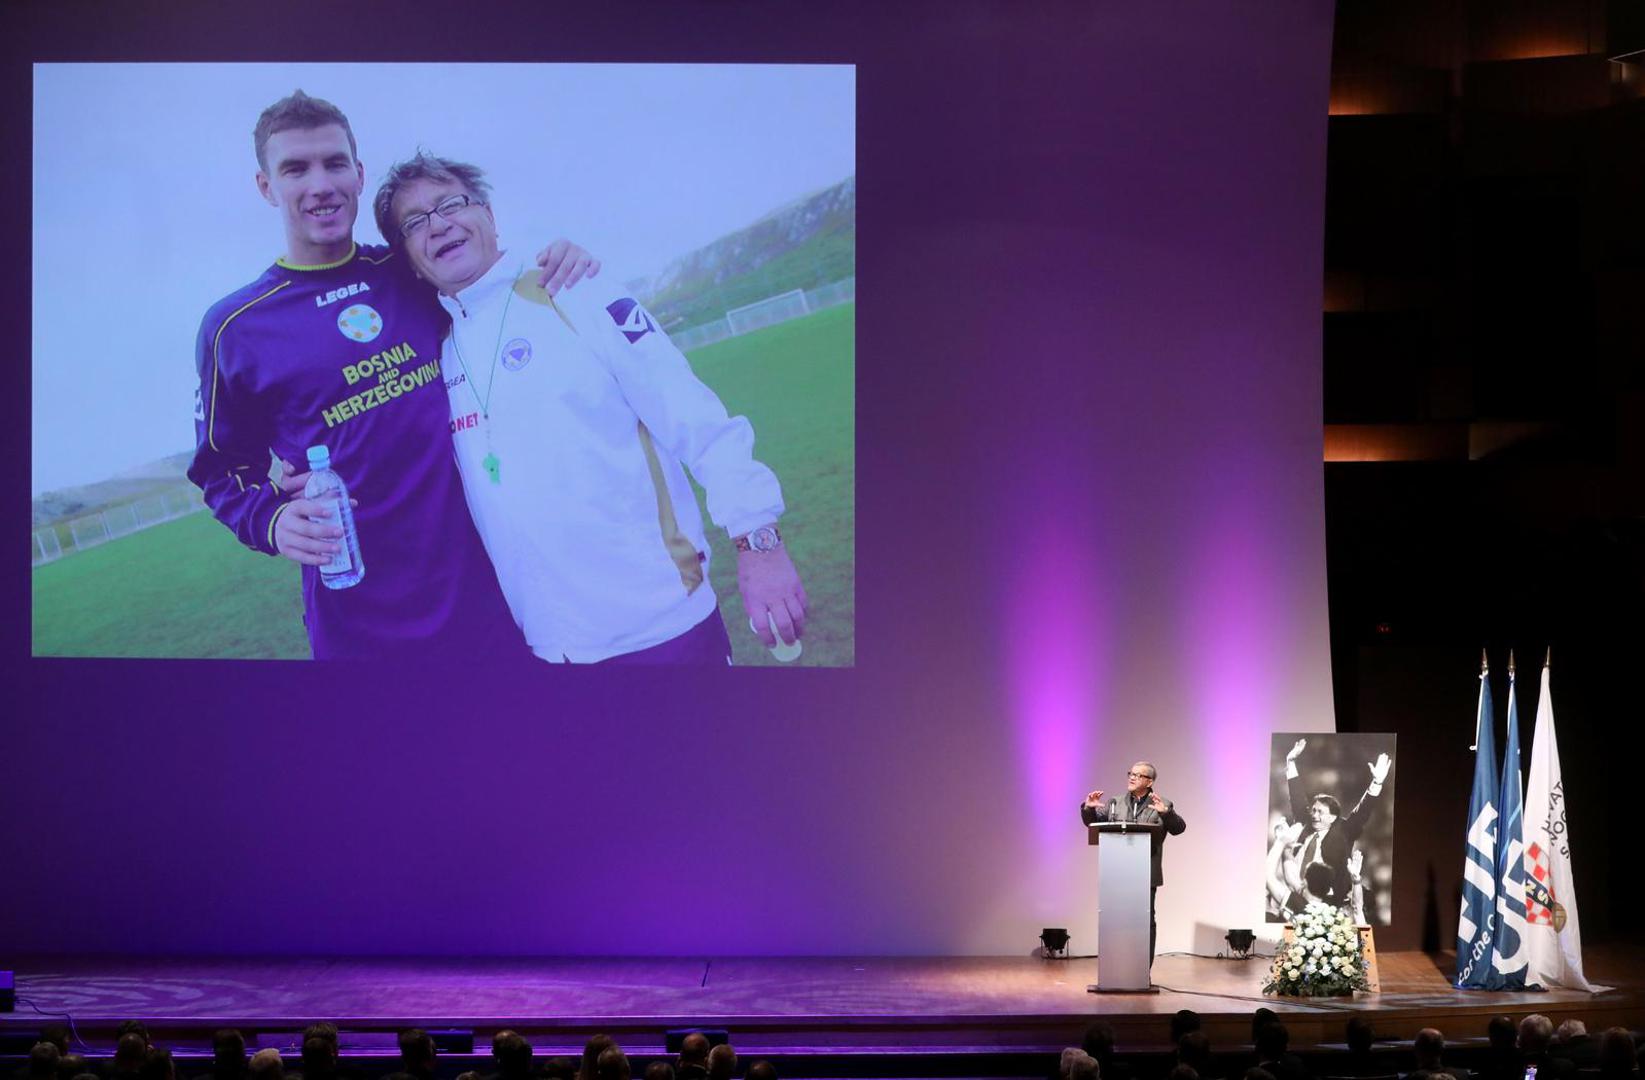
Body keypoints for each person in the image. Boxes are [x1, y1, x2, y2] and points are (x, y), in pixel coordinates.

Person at [189, 89, 598, 659]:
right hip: (358, 622)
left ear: (358, 174)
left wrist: (558, 258)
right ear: (266, 186)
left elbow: (490, 276)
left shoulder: (413, 269)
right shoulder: (236, 326)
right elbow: (220, 470)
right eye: (295, 169)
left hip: (488, 595)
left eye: (334, 163)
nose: (320, 184)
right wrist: (273, 520)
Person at [373, 152, 806, 664]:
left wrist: (759, 541)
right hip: (549, 648)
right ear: (409, 258)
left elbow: (699, 421)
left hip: (662, 628)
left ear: (488, 214)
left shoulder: (573, 289)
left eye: (450, 203)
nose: (438, 225)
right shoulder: (435, 347)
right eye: (415, 222)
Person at [1079, 760, 1187, 960]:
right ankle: (1116, 967)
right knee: (1116, 921)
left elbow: (1178, 828)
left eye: (1138, 775)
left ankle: (1142, 971)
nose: (1132, 777)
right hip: (1117, 874)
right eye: (1131, 773)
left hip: (1146, 873)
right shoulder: (1115, 802)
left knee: (1145, 922)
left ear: (1149, 781)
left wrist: (1167, 813)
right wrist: (1089, 809)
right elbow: (1092, 824)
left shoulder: (1162, 804)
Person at [1284, 738, 1391, 911]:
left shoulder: (1345, 830)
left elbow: (1362, 812)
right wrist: (1290, 761)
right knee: (1288, 936)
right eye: (1313, 810)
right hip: (1295, 894)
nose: (1314, 815)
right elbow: (1296, 795)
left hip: (1329, 902)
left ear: (1333, 818)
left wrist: (1376, 782)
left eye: (1320, 812)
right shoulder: (1305, 820)